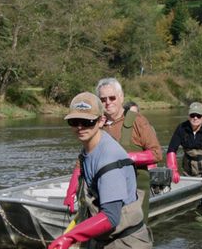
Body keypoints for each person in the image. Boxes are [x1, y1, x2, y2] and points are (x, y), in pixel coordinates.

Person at [49, 92, 153, 249]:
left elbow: (110, 217)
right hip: (99, 242)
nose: (79, 127)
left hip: (125, 245)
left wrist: (69, 237)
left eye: (86, 122)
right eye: (73, 122)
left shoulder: (109, 158)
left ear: (100, 121)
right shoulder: (87, 152)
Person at [63, 78, 161, 220]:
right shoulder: (93, 125)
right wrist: (71, 191)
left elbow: (156, 153)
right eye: (103, 99)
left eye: (112, 98)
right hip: (102, 192)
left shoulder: (138, 121)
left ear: (121, 97)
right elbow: (82, 161)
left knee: (132, 231)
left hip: (134, 191)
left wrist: (126, 158)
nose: (108, 102)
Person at [165, 101, 202, 202]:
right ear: (188, 116)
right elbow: (171, 150)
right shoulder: (181, 128)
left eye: (198, 115)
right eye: (192, 115)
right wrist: (173, 170)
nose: (195, 118)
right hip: (189, 174)